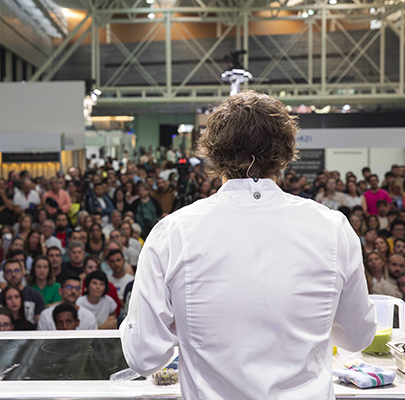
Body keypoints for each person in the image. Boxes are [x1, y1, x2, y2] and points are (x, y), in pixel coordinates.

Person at [121, 91, 376, 400]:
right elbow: (358, 336)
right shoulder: (333, 228)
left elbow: (144, 357)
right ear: (285, 153)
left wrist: (182, 325)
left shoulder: (172, 233)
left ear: (213, 154)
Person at [0, 260, 45, 326]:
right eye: (9, 271)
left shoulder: (35, 296)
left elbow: (41, 324)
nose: (13, 274)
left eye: (16, 271)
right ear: (4, 276)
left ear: (22, 273)